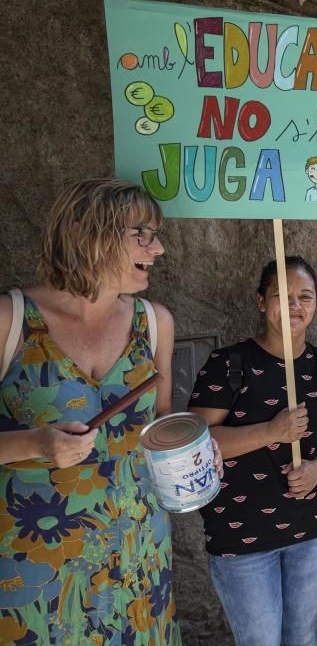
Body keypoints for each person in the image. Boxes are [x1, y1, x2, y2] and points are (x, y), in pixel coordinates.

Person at [0, 179, 183, 643]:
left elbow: (160, 423)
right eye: (141, 233)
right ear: (86, 232)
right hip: (38, 567)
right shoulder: (11, 321)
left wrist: (192, 456)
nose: (157, 248)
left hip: (139, 557)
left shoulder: (155, 324)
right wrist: (36, 443)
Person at [188, 256, 317, 646]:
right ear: (262, 302)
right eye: (282, 295)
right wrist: (270, 431)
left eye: (305, 296)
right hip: (241, 535)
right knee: (260, 640)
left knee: (300, 637)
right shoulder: (229, 364)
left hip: (311, 530)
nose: (295, 305)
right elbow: (195, 442)